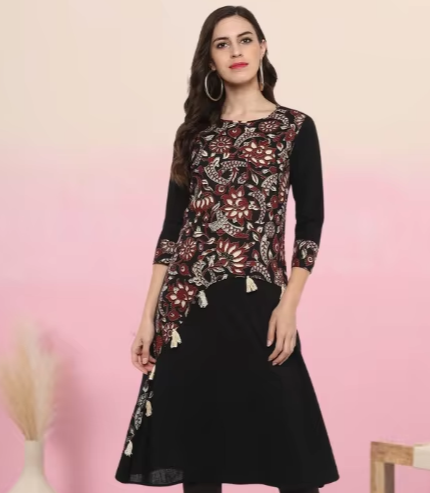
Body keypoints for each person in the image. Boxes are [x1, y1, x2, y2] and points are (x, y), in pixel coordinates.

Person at [115, 6, 339, 492]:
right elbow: (172, 230)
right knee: (200, 456)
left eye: (245, 39)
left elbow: (311, 223)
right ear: (210, 59)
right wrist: (148, 316)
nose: (236, 51)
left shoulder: (294, 127)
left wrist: (289, 304)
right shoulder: (194, 135)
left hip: (260, 299)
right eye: (222, 44)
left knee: (294, 457)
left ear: (262, 48)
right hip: (187, 305)